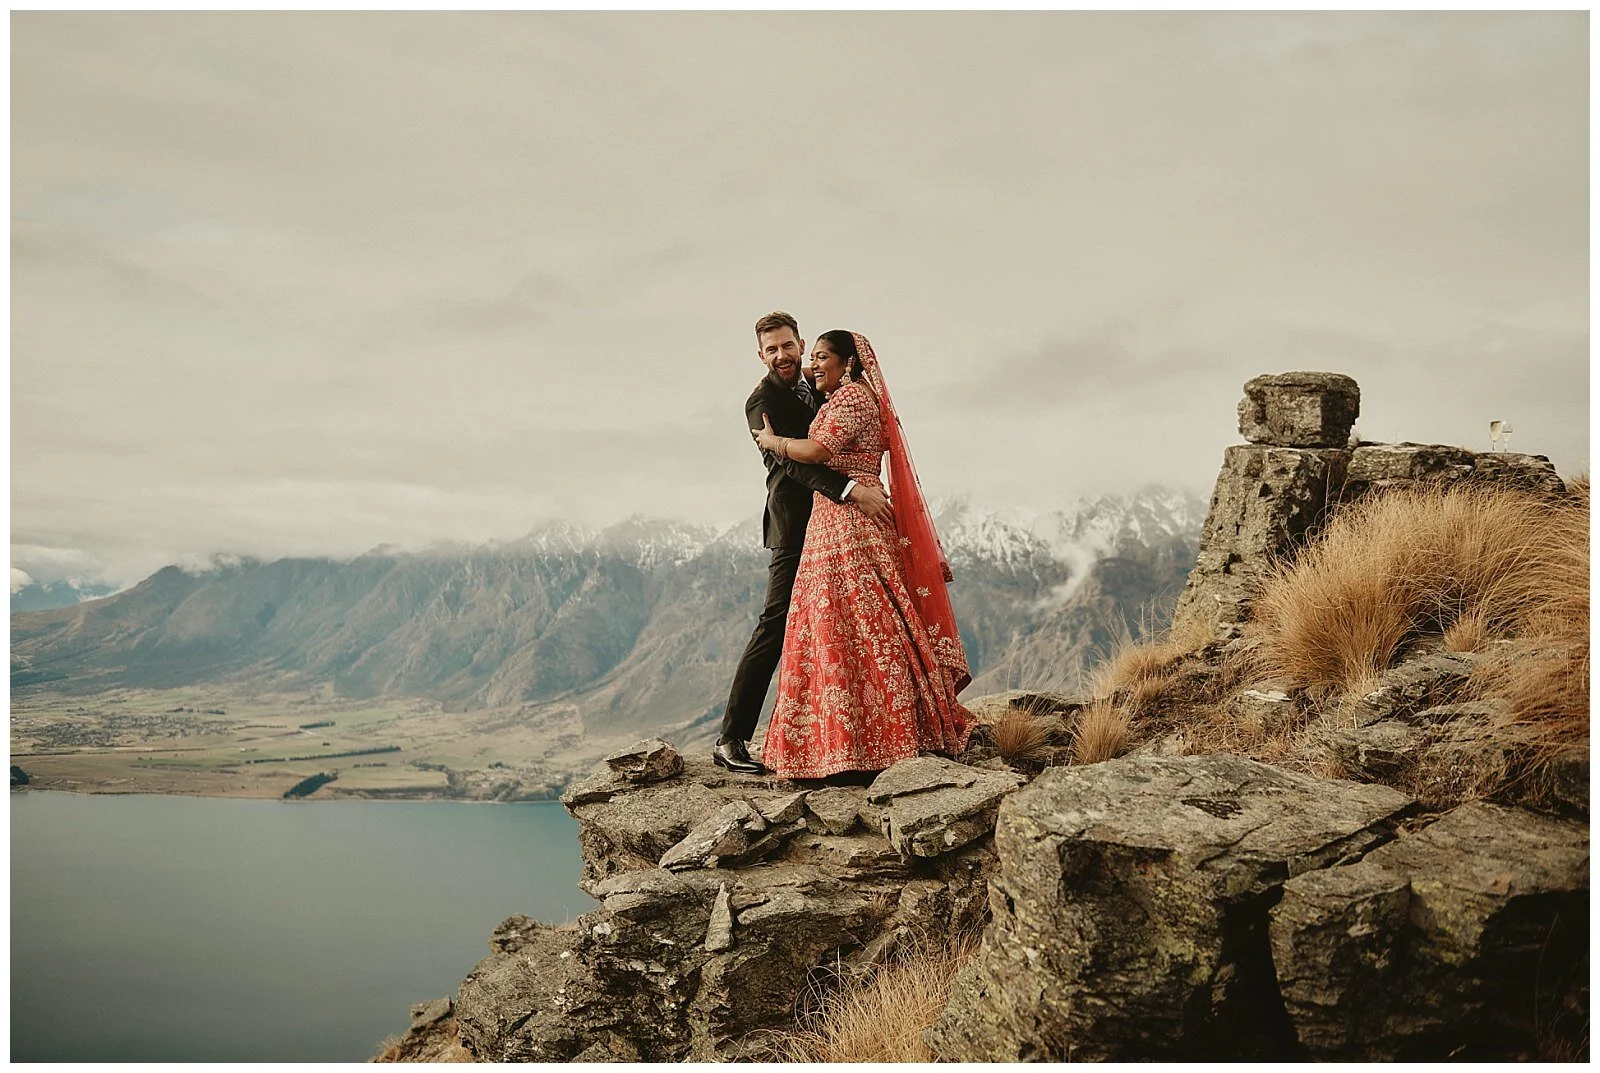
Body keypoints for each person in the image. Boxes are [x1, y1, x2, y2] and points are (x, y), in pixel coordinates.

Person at [753, 330, 973, 779]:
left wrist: (772, 442)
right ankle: (842, 740)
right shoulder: (834, 399)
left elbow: (816, 451)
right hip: (831, 521)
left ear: (849, 363)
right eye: (810, 357)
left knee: (868, 621)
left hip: (853, 522)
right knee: (833, 625)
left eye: (821, 357)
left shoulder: (852, 400)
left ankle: (885, 736)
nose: (813, 365)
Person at [715, 312, 891, 775]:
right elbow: (795, 464)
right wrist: (852, 490)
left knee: (841, 624)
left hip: (837, 525)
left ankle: (850, 734)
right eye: (771, 349)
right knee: (776, 624)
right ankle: (731, 738)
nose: (782, 355)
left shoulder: (820, 382)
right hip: (797, 524)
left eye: (788, 346)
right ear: (761, 355)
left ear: (800, 343)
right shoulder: (761, 402)